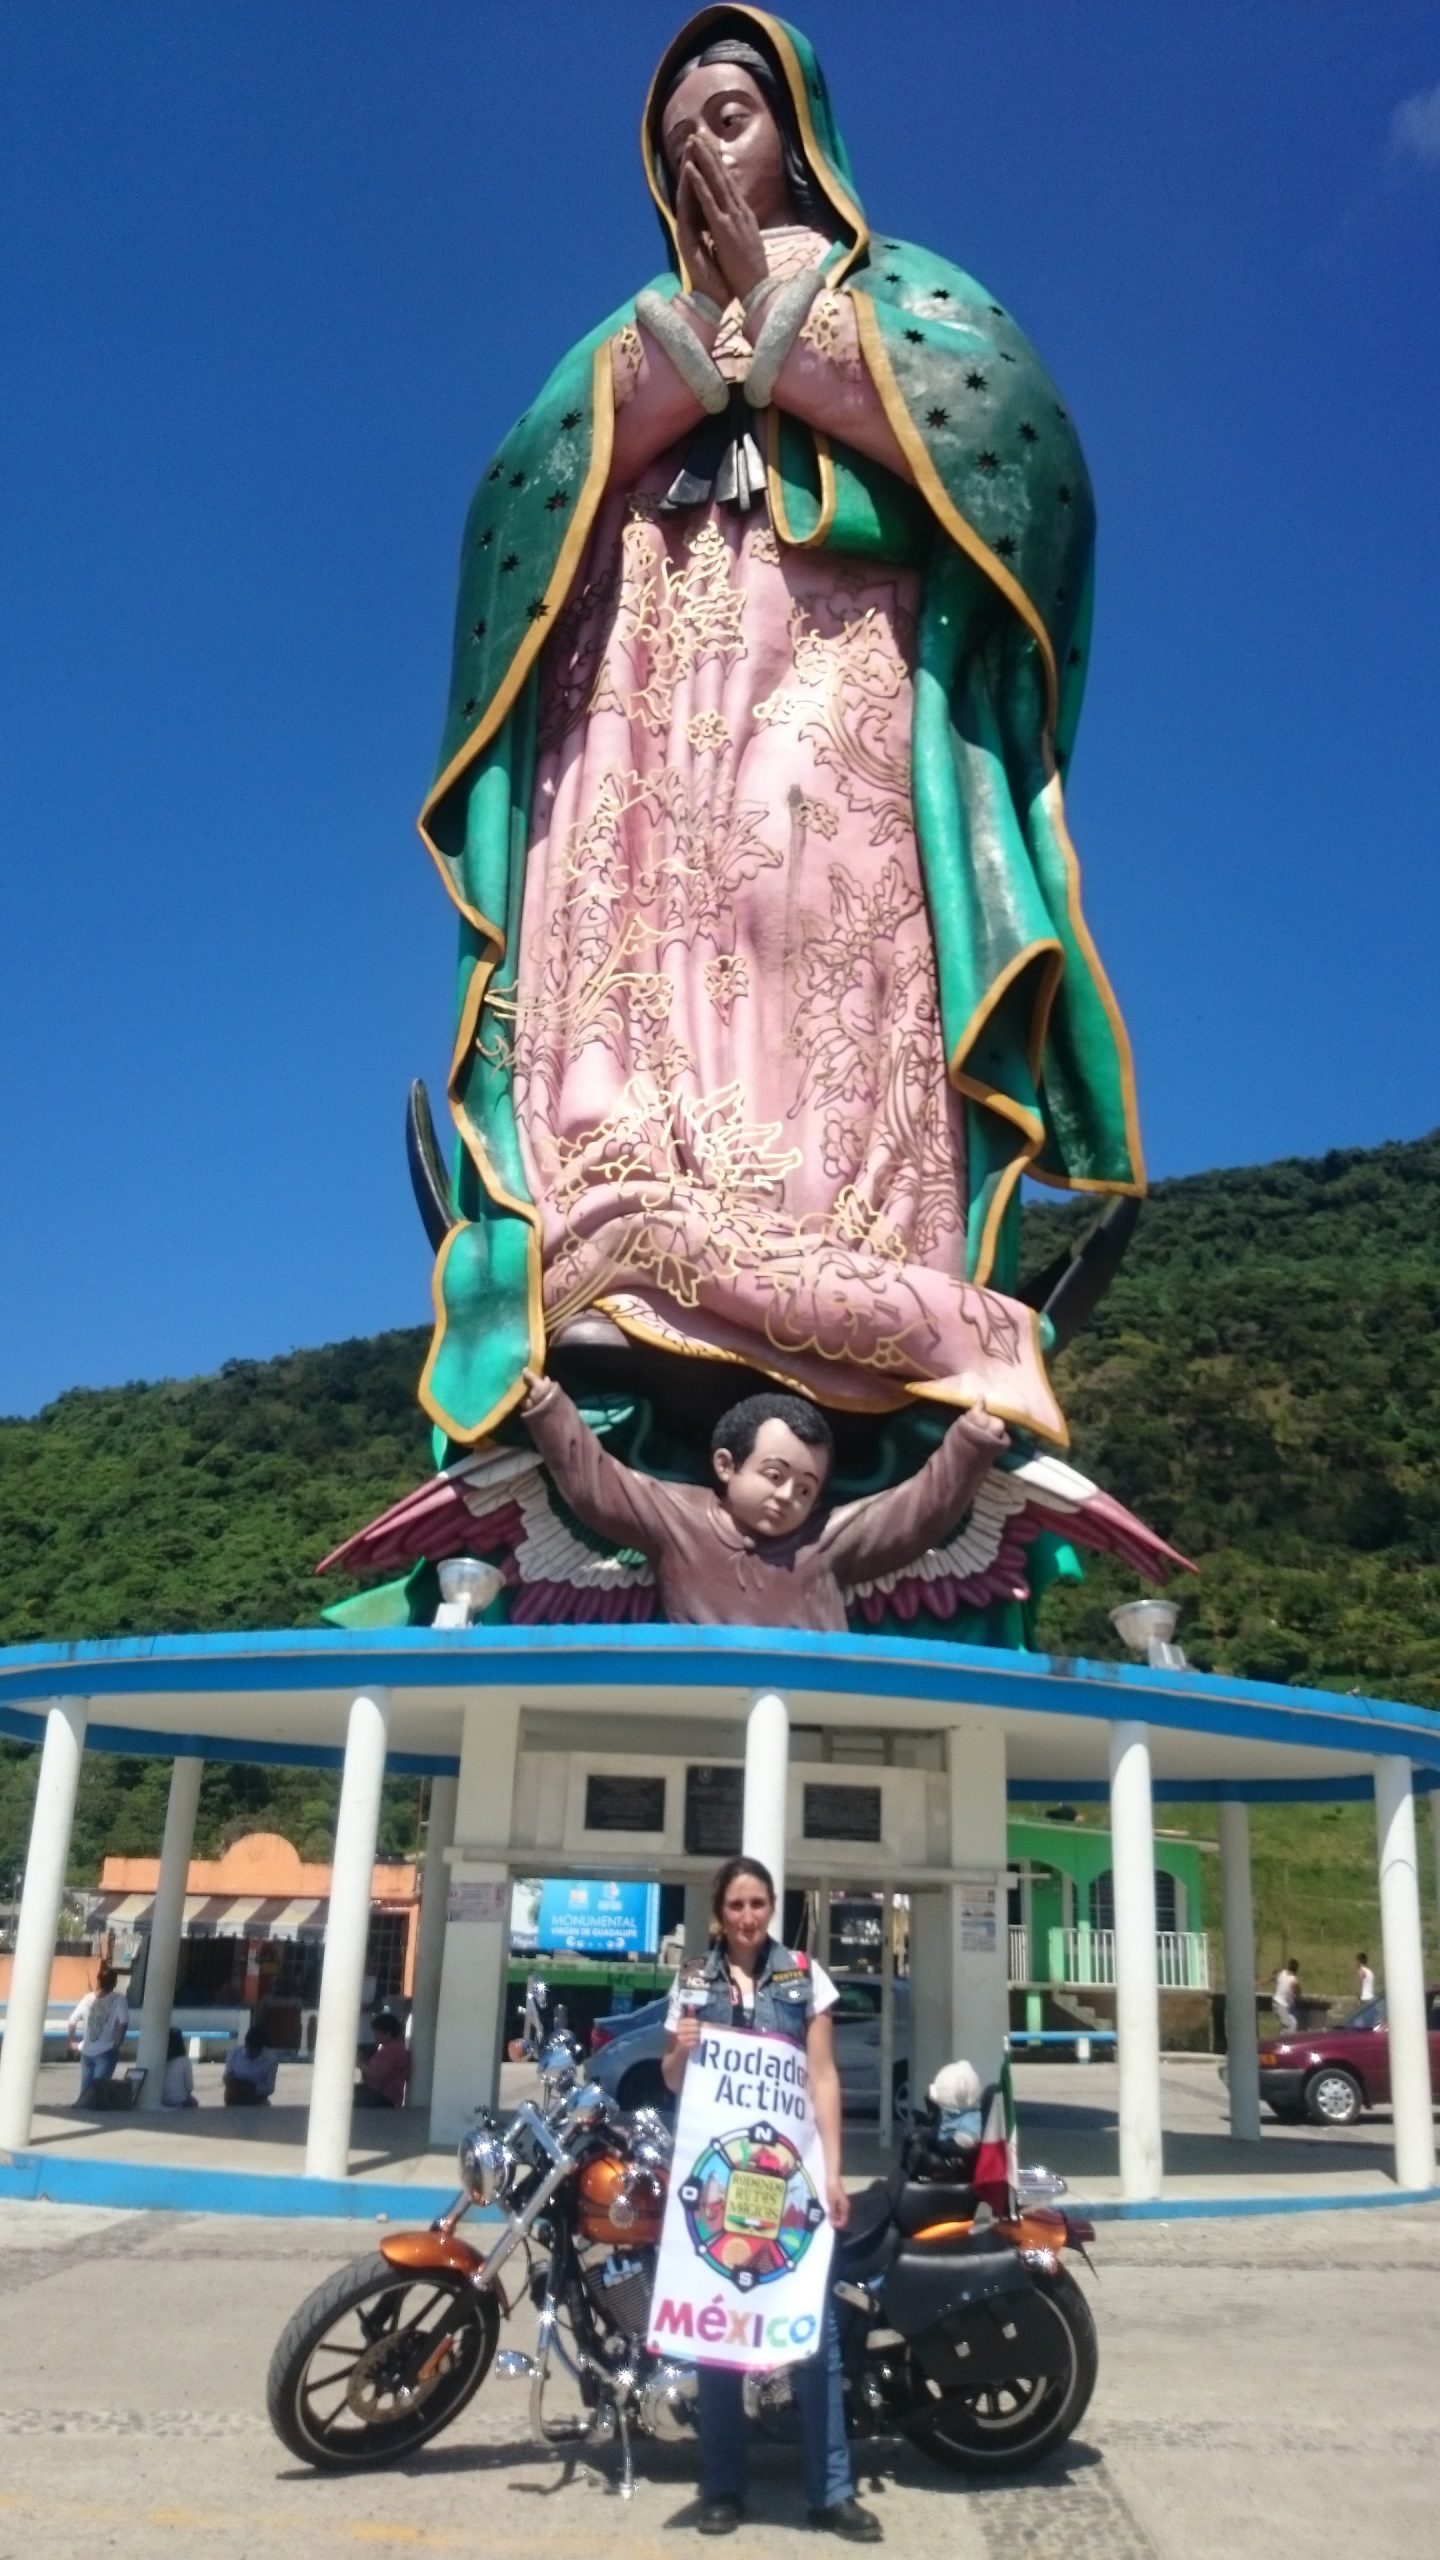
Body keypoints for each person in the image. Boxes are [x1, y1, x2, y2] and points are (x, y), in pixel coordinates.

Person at [413, 8, 1143, 1485]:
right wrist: (688, 356)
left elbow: (1026, 459)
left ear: (800, 135)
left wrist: (788, 330)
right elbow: (514, 508)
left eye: (731, 119)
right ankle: (619, 1237)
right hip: (643, 710)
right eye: (680, 138)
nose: (705, 156)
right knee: (644, 941)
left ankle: (852, 1268)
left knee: (816, 929)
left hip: (837, 669)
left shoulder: (907, 298)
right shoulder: (627, 338)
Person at [662, 1855, 880, 2542]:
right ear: (718, 1912)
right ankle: (723, 2486)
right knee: (718, 2336)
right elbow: (674, 2080)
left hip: (792, 2186)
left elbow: (822, 2078)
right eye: (736, 1905)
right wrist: (682, 2049)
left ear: (772, 1906)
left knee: (812, 2335)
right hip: (719, 2189)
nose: (748, 1917)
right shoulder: (693, 1980)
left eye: (758, 1904)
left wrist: (835, 2173)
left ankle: (832, 2490)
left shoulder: (804, 1976)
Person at [523, 1372, 1006, 1629]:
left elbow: (916, 1512)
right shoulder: (678, 1518)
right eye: (773, 1475)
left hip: (812, 1702)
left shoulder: (827, 1539)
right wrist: (550, 1410)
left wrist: (970, 1443)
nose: (786, 1496)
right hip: (700, 1700)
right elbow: (599, 1487)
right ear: (727, 1466)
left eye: (805, 1488)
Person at [69, 1964, 129, 2103]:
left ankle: (80, 2107)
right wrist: (118, 2042)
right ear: (115, 1982)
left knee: (85, 2088)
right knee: (99, 2089)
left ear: (99, 1981)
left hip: (86, 2050)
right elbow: (123, 2022)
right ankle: (89, 2109)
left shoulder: (87, 1998)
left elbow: (72, 2021)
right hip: (106, 2049)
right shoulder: (119, 1999)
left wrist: (72, 2041)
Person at [354, 2011, 410, 2109]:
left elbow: (378, 2075)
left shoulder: (394, 2050)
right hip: (377, 2095)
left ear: (388, 2033)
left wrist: (360, 2064)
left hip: (383, 2098)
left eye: (377, 2033)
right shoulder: (388, 2048)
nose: (375, 2036)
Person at [223, 2022, 278, 2107]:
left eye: (255, 2050)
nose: (251, 2053)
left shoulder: (271, 2060)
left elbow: (270, 2088)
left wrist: (251, 2087)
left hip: (257, 2099)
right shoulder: (234, 2053)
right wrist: (239, 2086)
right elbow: (227, 2077)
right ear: (246, 2044)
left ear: (262, 2047)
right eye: (249, 2048)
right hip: (234, 2097)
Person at [160, 2026, 198, 2109]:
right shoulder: (185, 2061)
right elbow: (189, 2086)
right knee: (194, 2102)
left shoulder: (160, 2059)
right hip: (179, 2099)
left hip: (161, 2099)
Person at [1272, 1959, 1301, 2032]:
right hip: (1281, 2006)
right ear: (1297, 1969)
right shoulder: (1294, 1980)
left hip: (1275, 2002)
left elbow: (1273, 1978)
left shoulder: (1282, 1972)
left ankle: (1282, 2037)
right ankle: (1284, 2042)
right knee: (1290, 2025)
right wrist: (1296, 1996)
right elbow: (1298, 1994)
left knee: (1290, 2022)